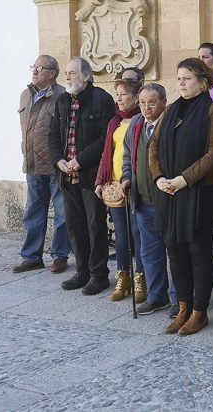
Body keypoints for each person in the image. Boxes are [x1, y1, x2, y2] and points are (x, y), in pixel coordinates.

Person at [149, 57, 213, 336]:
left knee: (197, 250)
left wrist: (185, 179)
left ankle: (199, 311)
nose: (181, 82)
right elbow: (154, 147)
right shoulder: (170, 110)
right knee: (174, 248)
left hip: (201, 192)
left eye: (187, 78)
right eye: (179, 77)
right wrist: (159, 178)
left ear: (203, 82)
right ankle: (183, 306)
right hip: (170, 191)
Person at [49, 57, 115, 295]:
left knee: (95, 226)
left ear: (86, 76)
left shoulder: (102, 99)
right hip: (67, 174)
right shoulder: (62, 101)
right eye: (66, 74)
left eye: (72, 73)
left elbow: (104, 138)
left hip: (90, 175)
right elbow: (53, 135)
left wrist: (80, 160)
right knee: (75, 226)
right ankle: (82, 271)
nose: (67, 77)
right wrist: (59, 160)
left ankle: (99, 275)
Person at [13, 55, 72, 274]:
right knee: (32, 212)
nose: (35, 71)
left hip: (56, 165)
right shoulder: (25, 95)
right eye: (34, 67)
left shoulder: (62, 97)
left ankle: (60, 255)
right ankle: (31, 257)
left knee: (62, 212)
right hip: (32, 164)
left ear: (53, 74)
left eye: (40, 68)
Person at [121, 81, 176, 315]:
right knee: (149, 251)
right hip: (142, 200)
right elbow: (127, 155)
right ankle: (157, 296)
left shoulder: (172, 123)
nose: (146, 108)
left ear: (163, 103)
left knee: (175, 251)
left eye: (151, 103)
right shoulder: (135, 124)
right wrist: (126, 178)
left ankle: (179, 298)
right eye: (142, 103)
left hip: (169, 200)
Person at [94, 70, 144, 302]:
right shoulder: (114, 121)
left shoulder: (140, 119)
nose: (119, 98)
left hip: (135, 185)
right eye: (117, 94)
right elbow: (107, 155)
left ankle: (140, 279)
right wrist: (100, 181)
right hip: (114, 185)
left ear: (136, 98)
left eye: (123, 94)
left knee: (138, 234)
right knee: (122, 236)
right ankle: (123, 278)